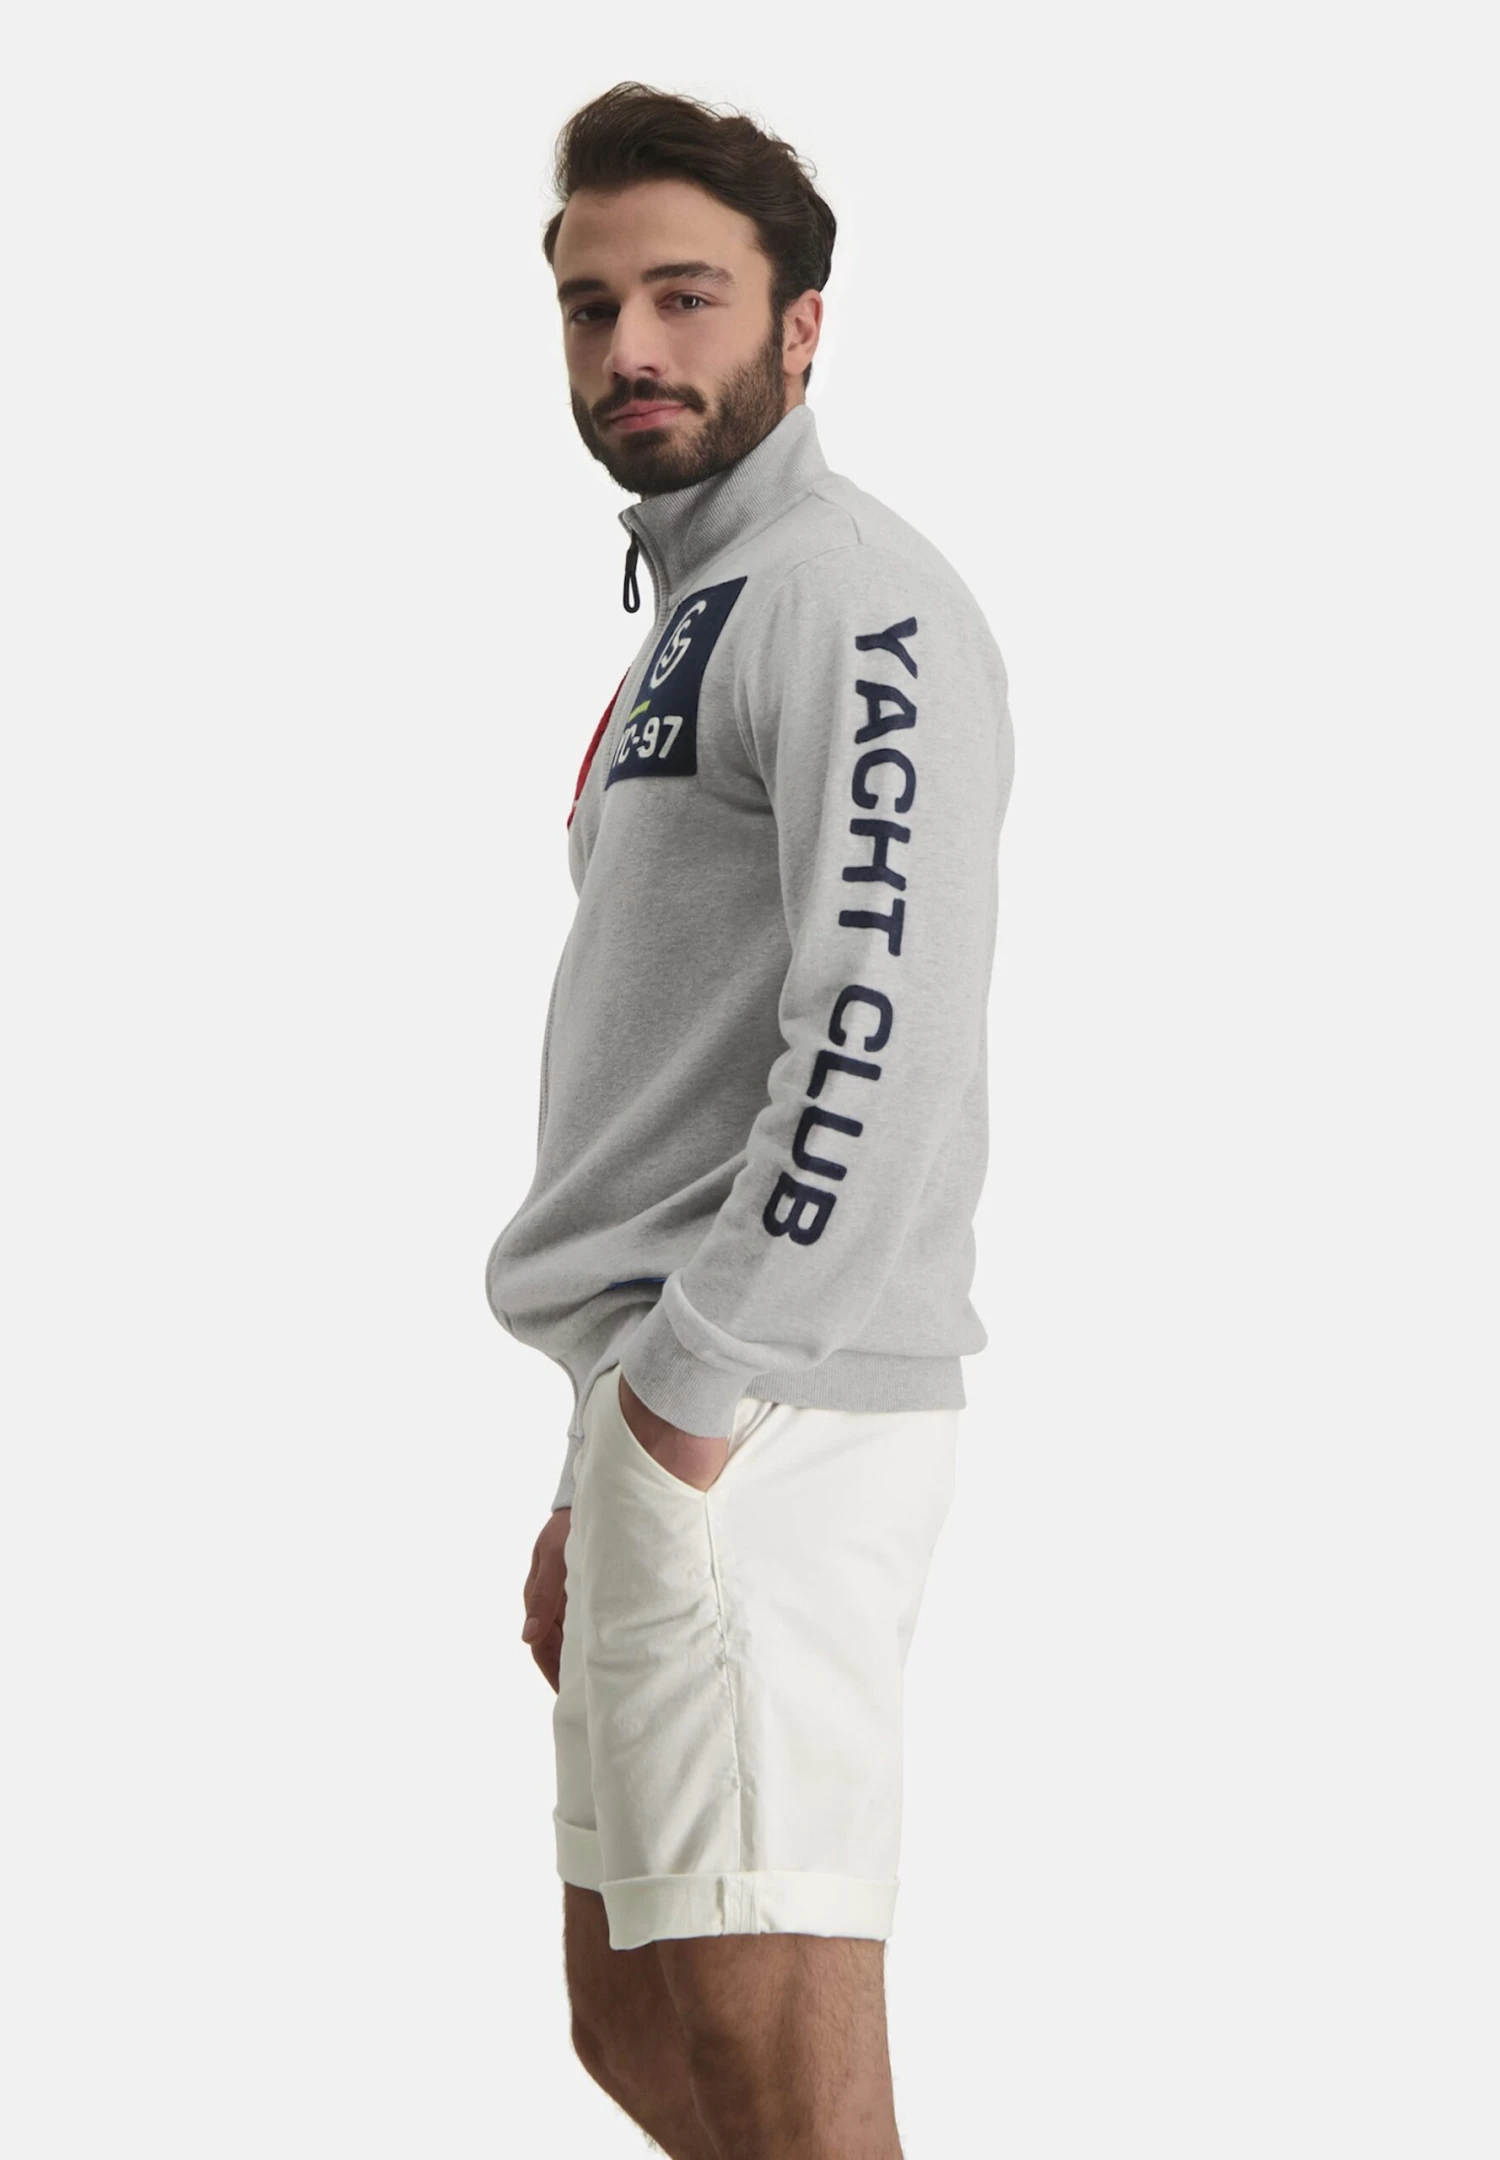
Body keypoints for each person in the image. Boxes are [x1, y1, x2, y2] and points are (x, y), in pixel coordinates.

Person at [485, 80, 1016, 2160]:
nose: (631, 346)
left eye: (686, 297)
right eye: (592, 304)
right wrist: (599, 1457)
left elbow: (876, 1031)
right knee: (639, 2028)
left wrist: (686, 1414)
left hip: (770, 1422)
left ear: (801, 325)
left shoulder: (848, 597)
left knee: (784, 2092)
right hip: (667, 1411)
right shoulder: (697, 614)